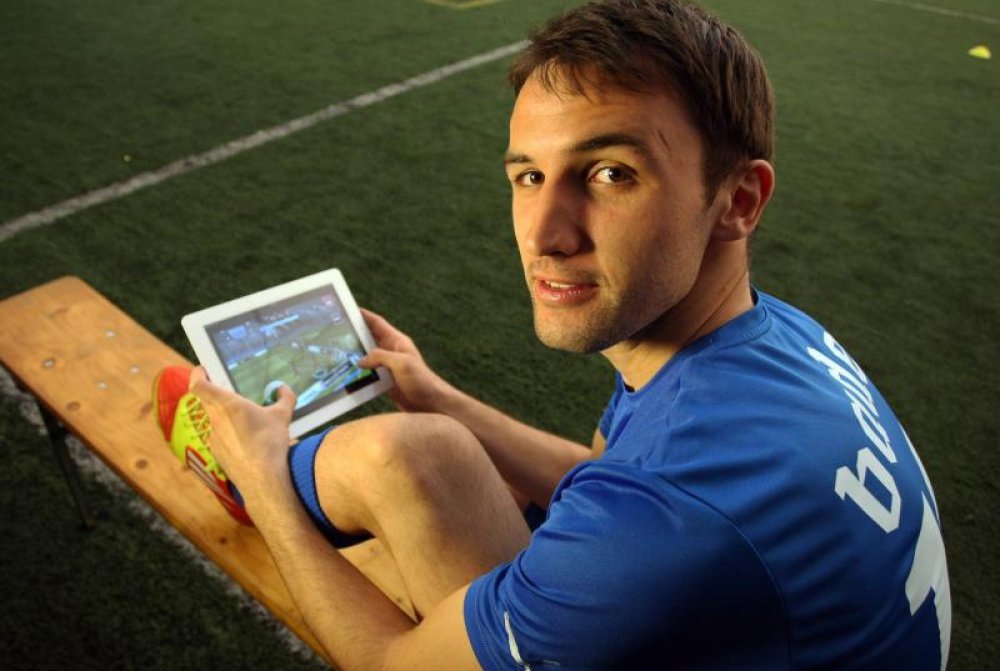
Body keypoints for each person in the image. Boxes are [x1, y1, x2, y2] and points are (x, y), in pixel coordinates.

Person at [181, 1, 952, 668]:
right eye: (528, 176)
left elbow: (391, 662)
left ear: (739, 200)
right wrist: (436, 394)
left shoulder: (666, 520)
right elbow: (606, 473)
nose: (545, 235)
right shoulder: (771, 336)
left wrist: (265, 485)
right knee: (421, 447)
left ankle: (251, 471)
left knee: (380, 468)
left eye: (611, 173)